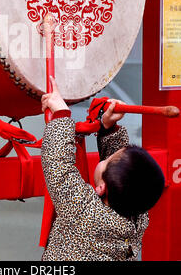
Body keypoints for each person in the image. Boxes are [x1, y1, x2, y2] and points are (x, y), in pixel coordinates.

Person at [40, 77, 165, 261]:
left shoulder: (85, 214)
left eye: (107, 160)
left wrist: (61, 113)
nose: (107, 158)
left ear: (101, 188)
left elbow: (59, 168)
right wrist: (109, 128)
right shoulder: (137, 218)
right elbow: (122, 174)